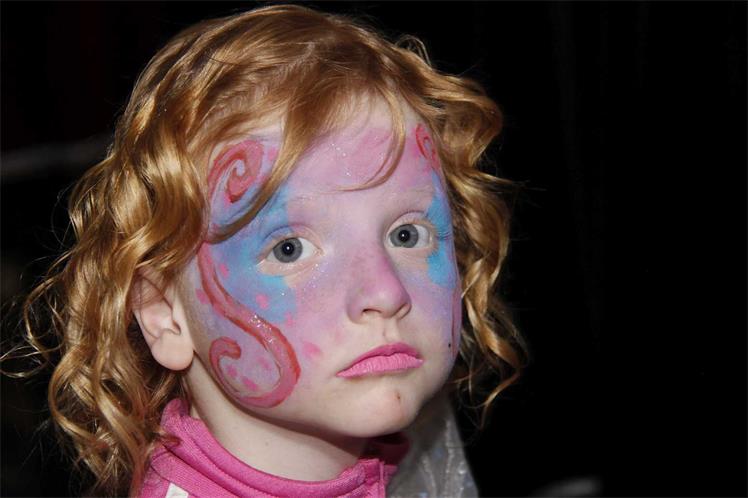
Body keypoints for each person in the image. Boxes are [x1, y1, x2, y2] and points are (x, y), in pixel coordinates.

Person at [14, 4, 524, 497]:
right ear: (165, 315)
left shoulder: (416, 455)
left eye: (407, 235)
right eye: (289, 248)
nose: (386, 293)